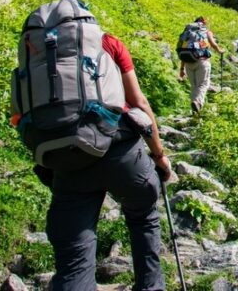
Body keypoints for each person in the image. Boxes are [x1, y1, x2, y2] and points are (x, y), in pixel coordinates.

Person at [46, 33, 172, 291]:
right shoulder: (108, 42)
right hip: (121, 152)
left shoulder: (39, 49)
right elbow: (139, 103)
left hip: (69, 160)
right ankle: (151, 286)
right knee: (143, 216)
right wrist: (160, 157)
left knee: (74, 255)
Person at [177, 16, 225, 114]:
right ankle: (197, 102)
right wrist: (220, 50)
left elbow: (183, 50)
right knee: (203, 84)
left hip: (188, 63)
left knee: (194, 86)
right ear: (204, 23)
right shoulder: (206, 31)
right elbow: (213, 44)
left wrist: (182, 69)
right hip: (202, 61)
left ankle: (195, 111)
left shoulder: (187, 34)